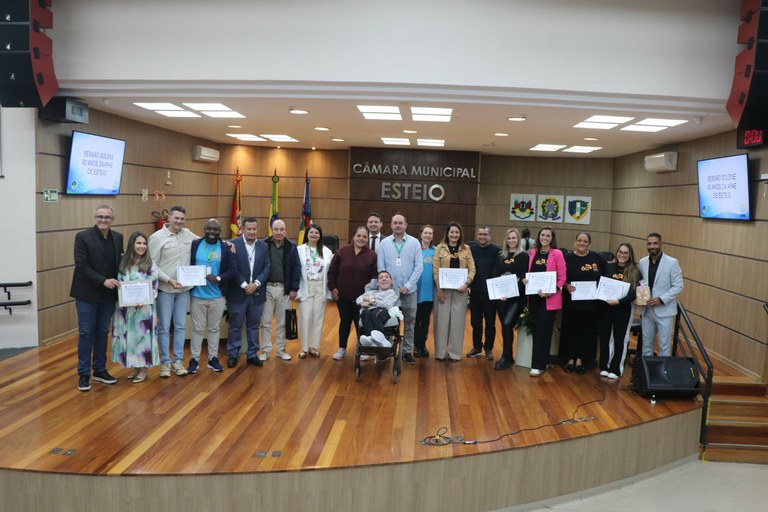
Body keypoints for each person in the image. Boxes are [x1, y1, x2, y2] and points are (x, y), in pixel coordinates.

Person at [70, 205, 123, 392]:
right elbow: (82, 266)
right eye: (100, 216)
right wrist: (103, 281)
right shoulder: (82, 237)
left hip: (108, 295)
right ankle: (84, 374)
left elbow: (120, 265)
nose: (103, 220)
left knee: (102, 332)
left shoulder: (118, 237)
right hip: (87, 294)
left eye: (107, 217)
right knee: (86, 333)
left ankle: (99, 369)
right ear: (95, 218)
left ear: (112, 219)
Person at [148, 205, 197, 378]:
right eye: (176, 218)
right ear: (169, 217)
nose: (179, 221)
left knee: (180, 326)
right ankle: (165, 363)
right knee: (164, 327)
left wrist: (228, 244)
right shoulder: (156, 238)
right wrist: (168, 279)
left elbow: (207, 242)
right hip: (165, 290)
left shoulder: (188, 234)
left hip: (183, 290)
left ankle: (178, 361)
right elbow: (151, 265)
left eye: (182, 219)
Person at [186, 219, 234, 374]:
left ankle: (213, 358)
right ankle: (194, 359)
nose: (212, 232)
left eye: (215, 229)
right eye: (209, 229)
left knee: (214, 329)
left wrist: (218, 278)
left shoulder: (225, 248)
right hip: (197, 295)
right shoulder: (195, 244)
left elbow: (232, 270)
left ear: (220, 231)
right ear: (204, 229)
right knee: (197, 329)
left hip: (217, 296)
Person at [111, 231, 159, 383]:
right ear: (132, 244)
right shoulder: (123, 263)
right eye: (138, 243)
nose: (142, 246)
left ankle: (144, 367)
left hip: (143, 309)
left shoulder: (150, 264)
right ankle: (135, 366)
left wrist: (144, 299)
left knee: (142, 337)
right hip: (125, 309)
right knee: (129, 337)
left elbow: (154, 287)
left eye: (144, 243)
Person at [223, 216, 270, 368]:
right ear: (242, 229)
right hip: (238, 293)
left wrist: (256, 284)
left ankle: (252, 354)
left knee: (254, 326)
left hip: (257, 293)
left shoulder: (263, 246)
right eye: (249, 229)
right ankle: (233, 354)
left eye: (254, 229)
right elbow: (232, 267)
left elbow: (267, 267)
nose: (251, 232)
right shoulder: (233, 244)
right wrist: (244, 284)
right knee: (235, 326)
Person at [377, 213, 423, 365]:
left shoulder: (414, 243)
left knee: (410, 322)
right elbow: (381, 267)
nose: (398, 225)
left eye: (400, 223)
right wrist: (388, 286)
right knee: (388, 322)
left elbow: (419, 267)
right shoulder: (384, 243)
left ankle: (407, 352)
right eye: (395, 223)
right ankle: (387, 349)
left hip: (409, 291)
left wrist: (408, 286)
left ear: (405, 225)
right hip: (389, 292)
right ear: (391, 225)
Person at [327, 225, 378, 360]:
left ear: (367, 239)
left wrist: (371, 283)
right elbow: (332, 271)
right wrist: (332, 287)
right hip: (343, 296)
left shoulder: (372, 255)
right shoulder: (342, 252)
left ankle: (363, 349)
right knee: (345, 322)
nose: (361, 239)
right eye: (358, 236)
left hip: (363, 298)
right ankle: (342, 348)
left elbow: (375, 275)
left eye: (364, 236)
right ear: (353, 237)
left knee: (360, 323)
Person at [523, 226, 566, 376]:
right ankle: (543, 361)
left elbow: (562, 278)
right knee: (536, 329)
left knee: (543, 330)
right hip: (534, 297)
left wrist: (551, 291)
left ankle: (537, 365)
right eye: (542, 235)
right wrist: (526, 280)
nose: (545, 238)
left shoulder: (557, 254)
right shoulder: (533, 252)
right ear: (539, 237)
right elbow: (530, 273)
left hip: (549, 298)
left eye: (548, 236)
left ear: (552, 238)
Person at [561, 232, 605, 374]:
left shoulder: (597, 258)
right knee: (570, 330)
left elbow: (605, 276)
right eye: (579, 240)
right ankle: (569, 359)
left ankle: (580, 359)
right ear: (575, 242)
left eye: (585, 241)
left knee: (587, 332)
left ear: (589, 244)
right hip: (571, 302)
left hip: (591, 304)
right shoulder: (567, 258)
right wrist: (566, 285)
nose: (582, 243)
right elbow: (560, 277)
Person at [432, 221, 476, 361]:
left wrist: (467, 284)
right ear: (447, 233)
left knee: (457, 323)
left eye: (457, 232)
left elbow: (472, 269)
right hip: (442, 291)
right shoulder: (440, 248)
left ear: (460, 234)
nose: (454, 235)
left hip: (460, 291)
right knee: (441, 322)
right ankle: (440, 353)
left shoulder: (466, 249)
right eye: (452, 232)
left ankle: (455, 354)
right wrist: (439, 290)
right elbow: (435, 270)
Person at [259, 219, 301, 362]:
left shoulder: (292, 247)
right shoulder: (263, 244)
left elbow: (296, 269)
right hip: (266, 288)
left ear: (286, 231)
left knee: (283, 322)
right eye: (276, 229)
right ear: (272, 230)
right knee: (265, 322)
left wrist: (294, 288)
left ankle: (281, 350)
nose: (278, 232)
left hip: (285, 290)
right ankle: (265, 351)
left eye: (281, 229)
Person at [638, 232, 684, 357]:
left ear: (661, 244)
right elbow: (641, 283)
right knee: (646, 345)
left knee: (664, 346)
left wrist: (661, 299)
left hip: (664, 311)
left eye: (655, 243)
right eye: (649, 243)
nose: (652, 246)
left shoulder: (672, 262)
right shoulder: (642, 262)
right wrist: (641, 298)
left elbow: (679, 286)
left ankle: (663, 370)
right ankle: (647, 369)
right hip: (647, 310)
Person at [599, 243, 640, 379]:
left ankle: (616, 368)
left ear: (630, 255)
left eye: (625, 253)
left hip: (623, 308)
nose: (622, 255)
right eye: (620, 252)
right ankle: (604, 366)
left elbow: (635, 293)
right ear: (616, 253)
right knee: (605, 336)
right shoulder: (608, 266)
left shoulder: (634, 271)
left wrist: (619, 302)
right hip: (606, 307)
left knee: (620, 338)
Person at [493, 228, 529, 370]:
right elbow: (495, 274)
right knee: (504, 326)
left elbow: (524, 277)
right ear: (506, 240)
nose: (511, 241)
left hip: (516, 298)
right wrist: (498, 292)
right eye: (509, 238)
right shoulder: (500, 255)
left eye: (514, 238)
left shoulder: (523, 256)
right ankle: (508, 357)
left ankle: (505, 357)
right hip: (502, 298)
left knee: (508, 324)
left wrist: (511, 292)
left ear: (518, 240)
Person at [296, 223, 333, 358]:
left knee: (318, 318)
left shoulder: (327, 251)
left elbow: (331, 272)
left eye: (317, 233)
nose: (314, 235)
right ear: (307, 234)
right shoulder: (299, 250)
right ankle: (304, 348)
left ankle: (313, 347)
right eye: (311, 232)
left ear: (320, 235)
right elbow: (296, 270)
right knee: (305, 317)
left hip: (320, 287)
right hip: (305, 286)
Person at [468, 225, 500, 360]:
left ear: (490, 236)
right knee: (475, 322)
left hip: (491, 293)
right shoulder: (471, 250)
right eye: (480, 234)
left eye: (485, 234)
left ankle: (488, 348)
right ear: (477, 236)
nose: (482, 237)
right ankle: (477, 347)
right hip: (475, 291)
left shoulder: (497, 251)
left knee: (490, 323)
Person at [356, 271, 400, 346]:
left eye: (386, 277)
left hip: (382, 311)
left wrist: (370, 301)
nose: (384, 279)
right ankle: (371, 339)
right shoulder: (370, 292)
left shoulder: (391, 293)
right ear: (377, 283)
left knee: (375, 313)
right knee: (365, 313)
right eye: (381, 278)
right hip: (369, 311)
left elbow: (387, 304)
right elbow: (358, 300)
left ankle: (380, 338)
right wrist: (363, 302)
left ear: (391, 282)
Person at [414, 224, 436, 358]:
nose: (427, 235)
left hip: (429, 291)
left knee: (426, 320)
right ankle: (415, 345)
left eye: (430, 233)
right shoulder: (415, 250)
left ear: (432, 236)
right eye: (425, 233)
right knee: (416, 319)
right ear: (421, 234)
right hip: (416, 290)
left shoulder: (436, 251)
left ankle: (423, 344)